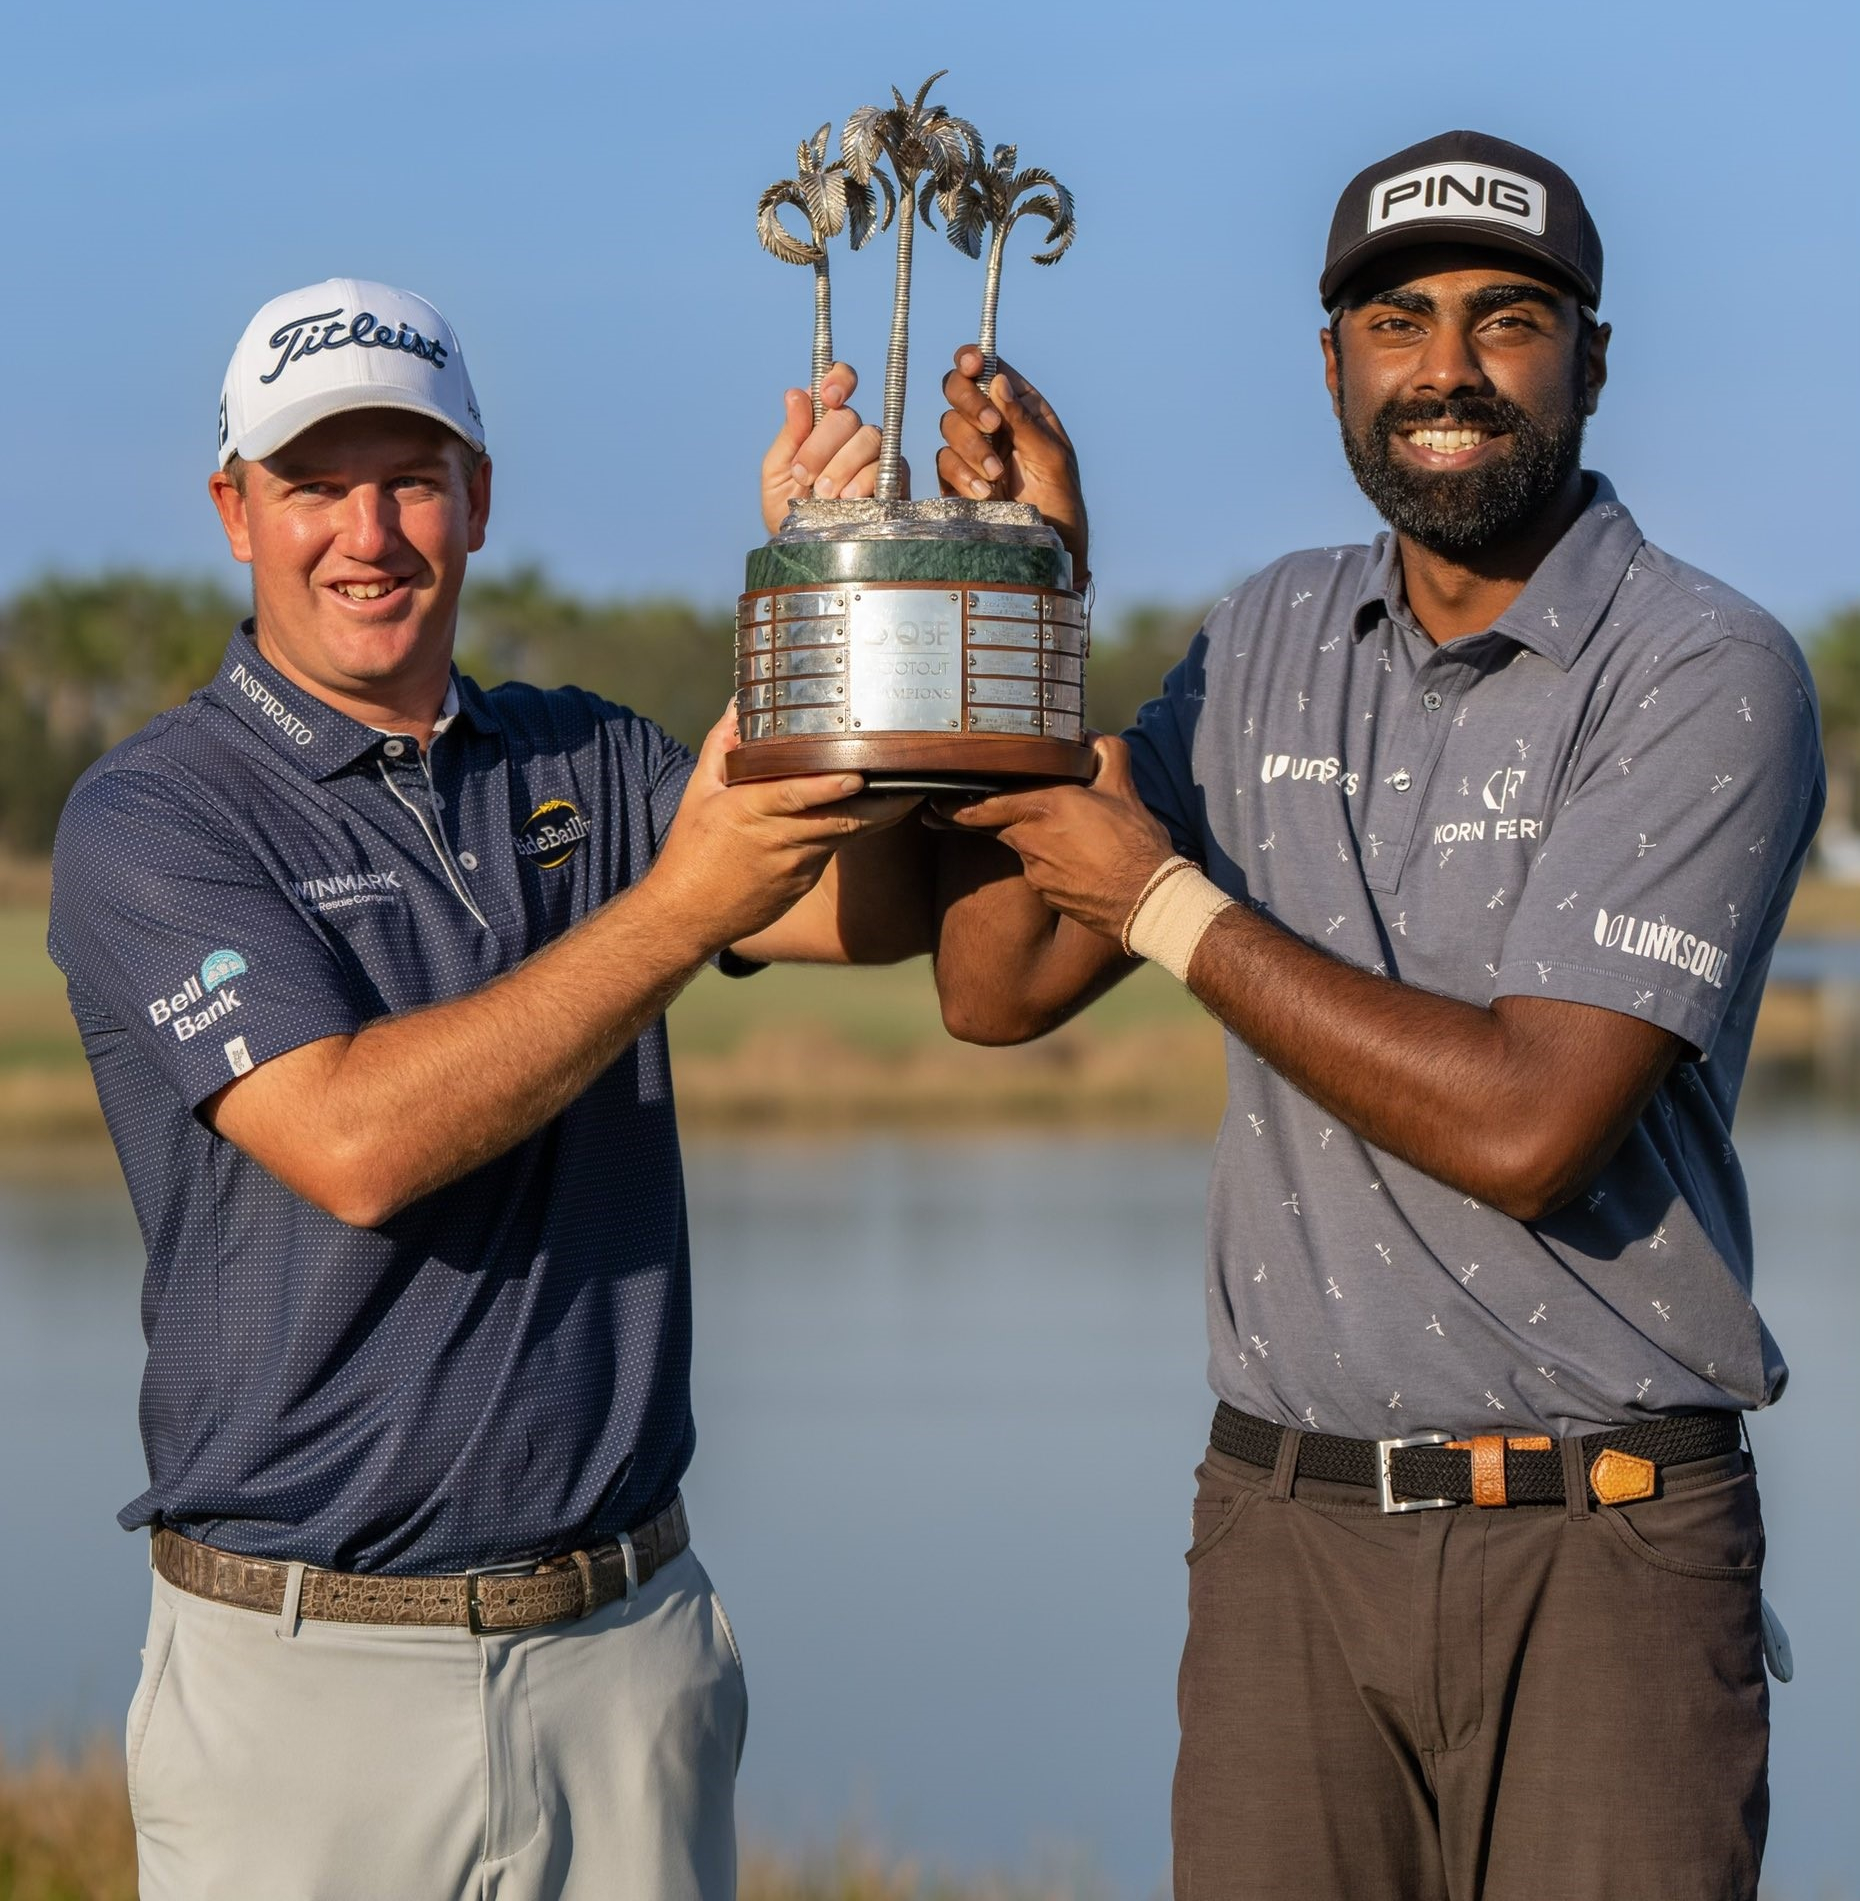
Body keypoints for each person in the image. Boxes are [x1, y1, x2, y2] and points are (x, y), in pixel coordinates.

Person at [924, 134, 1826, 1899]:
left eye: (1510, 322)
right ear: (1332, 363)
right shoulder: (1262, 637)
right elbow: (994, 985)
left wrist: (1169, 906)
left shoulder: (1706, 668)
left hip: (1604, 1545)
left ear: (1593, 359)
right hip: (1286, 1537)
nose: (1449, 372)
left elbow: (1529, 1126)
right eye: (1396, 322)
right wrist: (1032, 587)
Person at [47, 278, 940, 1901]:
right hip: (301, 1685)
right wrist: (675, 907)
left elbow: (862, 907)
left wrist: (827, 587)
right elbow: (353, 1142)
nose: (367, 532)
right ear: (233, 512)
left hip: (623, 1655)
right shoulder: (155, 817)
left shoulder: (586, 758)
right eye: (317, 485)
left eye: (409, 477)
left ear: (478, 500)